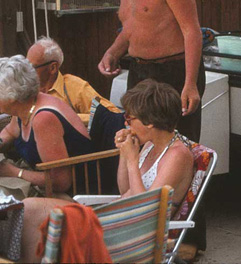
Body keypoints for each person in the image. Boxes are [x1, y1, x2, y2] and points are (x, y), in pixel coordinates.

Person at [19, 79, 195, 263]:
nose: (127, 124)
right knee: (29, 208)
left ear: (149, 122)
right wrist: (125, 155)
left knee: (43, 217)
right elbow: (124, 189)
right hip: (118, 219)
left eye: (129, 118)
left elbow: (146, 210)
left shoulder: (178, 155)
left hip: (135, 232)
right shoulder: (150, 144)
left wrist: (133, 160)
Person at [98, 0, 204, 143]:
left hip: (172, 72)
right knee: (138, 141)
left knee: (179, 143)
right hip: (139, 72)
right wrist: (113, 52)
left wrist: (190, 83)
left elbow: (191, 30)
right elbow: (131, 27)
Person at [0, 55, 93, 194]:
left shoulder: (43, 119)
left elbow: (61, 182)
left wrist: (13, 172)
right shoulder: (26, 106)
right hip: (43, 186)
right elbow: (9, 132)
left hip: (75, 194)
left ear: (12, 97)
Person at [27, 36, 120, 125]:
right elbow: (12, 116)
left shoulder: (74, 87)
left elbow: (113, 114)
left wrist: (70, 117)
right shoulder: (25, 86)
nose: (26, 71)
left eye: (32, 67)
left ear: (53, 68)